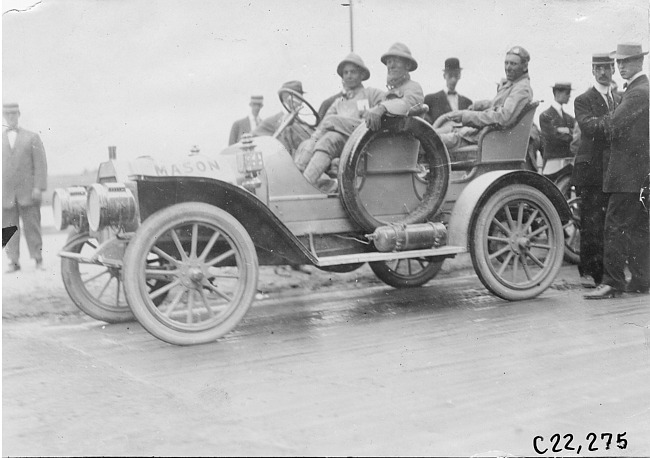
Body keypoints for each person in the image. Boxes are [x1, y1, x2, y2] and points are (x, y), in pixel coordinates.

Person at [585, 43, 649, 299]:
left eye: (626, 61)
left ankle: (612, 281)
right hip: (638, 174)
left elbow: (611, 126)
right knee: (637, 228)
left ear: (639, 63)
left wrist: (590, 124)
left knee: (614, 226)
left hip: (625, 174)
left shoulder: (637, 93)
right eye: (619, 62)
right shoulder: (640, 90)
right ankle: (641, 279)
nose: (620, 66)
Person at [294, 52, 384, 191]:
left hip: (363, 142)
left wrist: (377, 110)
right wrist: (312, 142)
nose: (348, 75)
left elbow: (388, 104)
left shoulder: (371, 93)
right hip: (342, 146)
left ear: (361, 75)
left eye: (353, 72)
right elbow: (322, 127)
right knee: (310, 142)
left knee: (331, 127)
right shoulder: (339, 102)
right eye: (345, 72)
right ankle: (303, 179)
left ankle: (303, 183)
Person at [571, 53, 621, 289]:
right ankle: (591, 272)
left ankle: (603, 271)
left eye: (607, 67)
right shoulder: (583, 99)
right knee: (591, 221)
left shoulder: (617, 98)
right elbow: (589, 127)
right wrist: (617, 120)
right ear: (592, 70)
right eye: (598, 68)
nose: (603, 72)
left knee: (606, 221)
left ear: (613, 70)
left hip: (610, 168)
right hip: (591, 170)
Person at [435, 46, 533, 153]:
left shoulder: (521, 89)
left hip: (482, 138)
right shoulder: (514, 85)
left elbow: (503, 117)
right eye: (506, 63)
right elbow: (499, 104)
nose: (508, 67)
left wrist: (466, 116)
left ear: (524, 67)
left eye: (513, 64)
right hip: (478, 134)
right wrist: (479, 105)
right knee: (433, 132)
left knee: (430, 139)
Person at [2, 103, 48, 272]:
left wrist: (38, 188)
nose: (11, 117)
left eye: (14, 113)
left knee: (32, 226)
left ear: (19, 114)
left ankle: (38, 259)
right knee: (8, 228)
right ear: (3, 116)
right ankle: (13, 261)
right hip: (6, 195)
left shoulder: (32, 137)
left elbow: (41, 165)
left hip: (29, 193)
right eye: (7, 114)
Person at [252, 80, 314, 156]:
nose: (301, 102)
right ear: (287, 98)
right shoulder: (273, 121)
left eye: (301, 98)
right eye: (298, 98)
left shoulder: (300, 123)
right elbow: (253, 139)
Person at [424, 57, 473, 124]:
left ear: (460, 76)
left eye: (456, 75)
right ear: (444, 76)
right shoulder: (430, 100)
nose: (453, 79)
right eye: (450, 75)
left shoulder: (467, 102)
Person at [539, 82, 576, 162]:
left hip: (567, 161)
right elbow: (552, 138)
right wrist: (571, 133)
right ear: (557, 93)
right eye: (567, 93)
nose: (569, 96)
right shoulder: (545, 116)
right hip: (552, 161)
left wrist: (564, 131)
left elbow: (577, 132)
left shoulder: (569, 118)